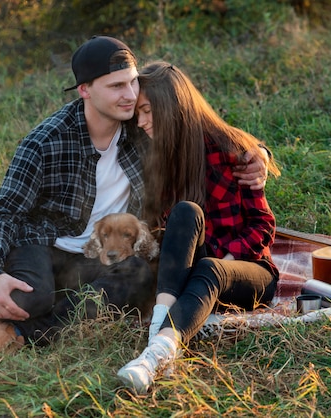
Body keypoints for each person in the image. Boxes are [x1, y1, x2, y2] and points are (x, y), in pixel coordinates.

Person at [0, 37, 268, 367]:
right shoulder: (47, 140)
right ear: (85, 90)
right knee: (31, 295)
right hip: (42, 243)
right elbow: (2, 213)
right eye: (116, 87)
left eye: (132, 83)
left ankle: (20, 332)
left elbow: (196, 128)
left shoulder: (142, 129)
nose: (130, 96)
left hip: (99, 253)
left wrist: (257, 155)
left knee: (137, 284)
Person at [116, 62, 281, 394]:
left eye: (147, 111)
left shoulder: (233, 150)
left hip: (246, 272)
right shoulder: (159, 156)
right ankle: (160, 346)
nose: (142, 122)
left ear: (173, 107)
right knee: (185, 213)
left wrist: (230, 260)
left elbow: (263, 226)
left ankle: (155, 353)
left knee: (210, 268)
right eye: (138, 114)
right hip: (194, 275)